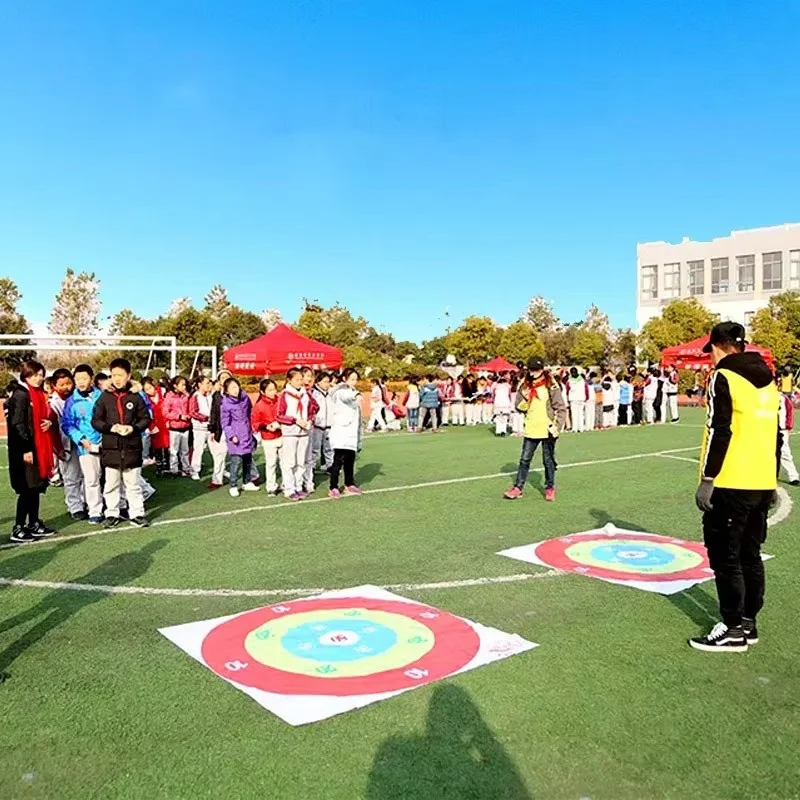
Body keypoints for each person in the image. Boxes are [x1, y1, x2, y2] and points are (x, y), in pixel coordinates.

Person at [691, 322, 780, 652]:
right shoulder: (769, 381)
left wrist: (708, 479)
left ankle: (731, 627)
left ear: (716, 346)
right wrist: (770, 481)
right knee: (750, 555)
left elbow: (719, 429)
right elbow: (776, 434)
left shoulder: (722, 376)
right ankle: (748, 621)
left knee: (725, 557)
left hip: (731, 479)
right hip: (760, 478)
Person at [91, 358, 151, 528]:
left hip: (132, 448)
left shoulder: (136, 397)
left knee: (133, 484)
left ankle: (137, 513)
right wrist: (112, 428)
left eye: (121, 375)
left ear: (128, 376)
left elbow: (146, 418)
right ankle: (111, 513)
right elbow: (96, 421)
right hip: (111, 449)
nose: (117, 378)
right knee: (111, 484)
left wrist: (133, 428)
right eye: (114, 375)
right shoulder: (104, 397)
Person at [7, 361, 60, 542]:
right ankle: (18, 527)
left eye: (40, 374)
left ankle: (34, 522)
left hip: (39, 447)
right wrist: (26, 449)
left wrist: (49, 423)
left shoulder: (38, 394)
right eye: (34, 375)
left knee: (36, 487)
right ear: (26, 375)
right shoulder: (21, 395)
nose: (38, 378)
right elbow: (17, 425)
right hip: (27, 449)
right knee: (27, 489)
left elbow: (42, 418)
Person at [503, 358, 567, 502]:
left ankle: (550, 487)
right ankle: (518, 487)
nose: (534, 373)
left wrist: (557, 426)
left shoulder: (551, 384)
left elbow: (560, 407)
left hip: (547, 429)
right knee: (524, 460)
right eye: (532, 370)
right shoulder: (524, 384)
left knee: (548, 460)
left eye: (537, 370)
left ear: (543, 369)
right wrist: (525, 399)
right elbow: (518, 406)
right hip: (531, 428)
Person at [62, 364, 104, 524]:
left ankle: (117, 506)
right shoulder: (72, 401)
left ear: (91, 379)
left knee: (111, 477)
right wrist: (82, 439)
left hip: (106, 443)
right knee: (91, 479)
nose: (81, 382)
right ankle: (95, 510)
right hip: (86, 447)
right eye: (78, 379)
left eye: (84, 378)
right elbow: (67, 424)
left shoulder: (102, 396)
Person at [49, 368, 87, 520]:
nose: (67, 387)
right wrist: (58, 449)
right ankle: (75, 506)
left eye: (69, 383)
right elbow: (52, 429)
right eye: (62, 384)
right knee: (71, 477)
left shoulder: (79, 397)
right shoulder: (53, 404)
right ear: (54, 385)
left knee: (88, 475)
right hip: (66, 445)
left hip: (84, 443)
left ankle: (85, 501)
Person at [277, 368, 319, 500]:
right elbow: (279, 415)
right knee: (289, 462)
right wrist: (295, 421)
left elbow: (314, 408)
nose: (300, 382)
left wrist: (310, 420)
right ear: (289, 380)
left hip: (304, 432)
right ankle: (289, 488)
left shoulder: (306, 394)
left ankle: (299, 486)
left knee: (301, 462)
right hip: (290, 432)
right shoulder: (285, 395)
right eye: (297, 380)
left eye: (301, 379)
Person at [219, 376, 258, 498]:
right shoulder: (225, 404)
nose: (235, 390)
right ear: (226, 391)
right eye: (232, 388)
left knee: (248, 459)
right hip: (236, 435)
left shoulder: (245, 398)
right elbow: (225, 423)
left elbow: (250, 412)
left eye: (236, 387)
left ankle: (247, 481)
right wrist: (232, 436)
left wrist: (252, 428)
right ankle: (233, 485)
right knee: (235, 462)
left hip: (246, 432)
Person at [328, 368, 364, 498]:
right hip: (341, 432)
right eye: (351, 379)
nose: (354, 382)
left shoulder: (353, 391)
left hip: (352, 433)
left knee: (350, 460)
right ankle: (333, 486)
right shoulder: (340, 391)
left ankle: (349, 484)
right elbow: (346, 396)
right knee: (338, 461)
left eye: (355, 379)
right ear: (344, 379)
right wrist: (356, 395)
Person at [252, 378, 283, 495]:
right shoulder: (259, 406)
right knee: (271, 463)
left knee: (285, 462)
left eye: (274, 389)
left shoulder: (279, 401)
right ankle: (271, 486)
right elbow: (255, 423)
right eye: (269, 390)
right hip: (268, 438)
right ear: (262, 392)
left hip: (282, 435)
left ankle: (286, 484)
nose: (273, 392)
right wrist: (266, 426)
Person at [305, 371, 334, 493]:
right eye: (325, 382)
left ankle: (330, 466)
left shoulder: (331, 393)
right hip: (317, 426)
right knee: (314, 449)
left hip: (329, 425)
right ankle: (310, 469)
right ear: (318, 382)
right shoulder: (313, 393)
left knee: (329, 448)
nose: (327, 384)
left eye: (328, 382)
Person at [164, 375, 191, 476]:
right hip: (174, 427)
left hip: (185, 426)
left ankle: (186, 468)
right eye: (182, 385)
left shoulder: (186, 396)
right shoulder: (169, 396)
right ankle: (174, 469)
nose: (184, 387)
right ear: (175, 385)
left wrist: (188, 416)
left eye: (185, 385)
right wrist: (179, 416)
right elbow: (165, 412)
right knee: (174, 450)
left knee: (185, 450)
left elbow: (190, 408)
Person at [142, 376, 170, 473]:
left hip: (164, 422)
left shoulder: (163, 392)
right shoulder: (145, 399)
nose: (149, 391)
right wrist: (151, 425)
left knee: (167, 444)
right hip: (154, 424)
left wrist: (168, 420)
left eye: (150, 387)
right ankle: (159, 465)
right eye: (146, 389)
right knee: (156, 445)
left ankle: (167, 465)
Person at [188, 376, 214, 481]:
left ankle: (219, 469)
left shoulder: (210, 396)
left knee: (216, 449)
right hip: (199, 428)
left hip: (210, 427)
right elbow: (193, 412)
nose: (209, 385)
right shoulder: (195, 396)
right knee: (198, 450)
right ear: (199, 384)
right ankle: (195, 470)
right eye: (206, 383)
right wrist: (206, 418)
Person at [207, 373, 229, 490]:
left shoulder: (238, 394)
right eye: (222, 378)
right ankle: (217, 480)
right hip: (221, 430)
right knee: (219, 455)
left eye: (227, 377)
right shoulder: (216, 395)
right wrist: (212, 430)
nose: (225, 380)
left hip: (235, 429)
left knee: (244, 454)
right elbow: (213, 413)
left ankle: (252, 476)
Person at [779, 391, 799, 486]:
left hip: (782, 429)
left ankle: (793, 476)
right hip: (767, 429)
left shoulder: (783, 398)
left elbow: (790, 411)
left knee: (785, 453)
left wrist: (789, 427)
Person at [566, 367, 588, 433]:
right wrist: (586, 397)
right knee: (581, 413)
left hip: (573, 398)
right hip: (581, 398)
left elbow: (567, 390)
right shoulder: (582, 380)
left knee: (574, 414)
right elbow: (586, 389)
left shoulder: (569, 381)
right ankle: (581, 428)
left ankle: (575, 428)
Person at [492, 372, 513, 436]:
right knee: (504, 417)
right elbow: (509, 395)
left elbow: (493, 394)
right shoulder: (508, 386)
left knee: (498, 417)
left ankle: (498, 431)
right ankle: (503, 430)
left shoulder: (496, 386)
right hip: (505, 403)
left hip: (497, 403)